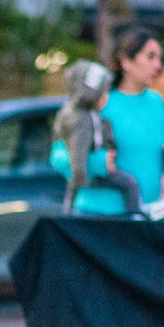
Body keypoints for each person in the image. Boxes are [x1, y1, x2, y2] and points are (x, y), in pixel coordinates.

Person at [101, 28, 164, 204]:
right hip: (102, 213)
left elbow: (157, 163)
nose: (158, 65)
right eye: (150, 57)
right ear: (126, 61)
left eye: (159, 59)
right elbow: (61, 155)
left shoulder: (156, 102)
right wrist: (97, 163)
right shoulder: (102, 102)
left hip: (147, 211)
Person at [52, 61, 142, 214]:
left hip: (86, 176)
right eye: (102, 93)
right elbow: (76, 152)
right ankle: (136, 215)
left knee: (71, 197)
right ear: (91, 96)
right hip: (91, 177)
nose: (107, 97)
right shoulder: (82, 120)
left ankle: (68, 213)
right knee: (130, 183)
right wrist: (82, 178)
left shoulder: (88, 115)